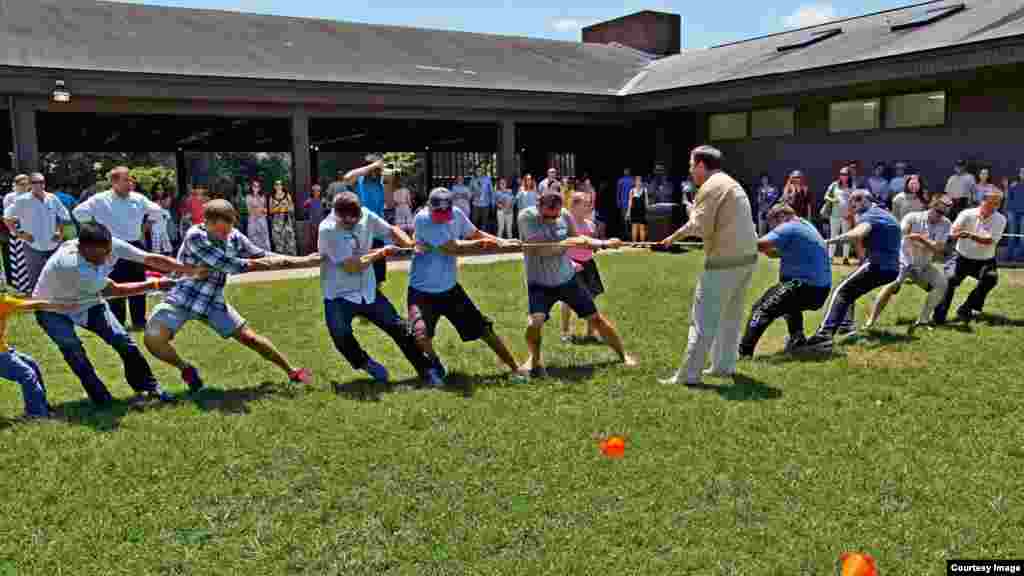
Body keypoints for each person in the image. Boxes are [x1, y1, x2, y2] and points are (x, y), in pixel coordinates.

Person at [144, 200, 316, 392]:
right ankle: (186, 369)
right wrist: (298, 262)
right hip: (182, 296)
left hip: (212, 300)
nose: (225, 236)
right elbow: (232, 265)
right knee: (153, 338)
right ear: (206, 222)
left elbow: (261, 255)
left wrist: (303, 260)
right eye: (220, 232)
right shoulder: (195, 237)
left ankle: (292, 371)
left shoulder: (234, 236)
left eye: (228, 231)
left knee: (249, 338)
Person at [34, 222, 202, 406]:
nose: (107, 259)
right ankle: (102, 399)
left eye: (108, 252)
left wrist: (190, 270)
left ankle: (148, 388)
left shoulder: (109, 244)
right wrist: (155, 284)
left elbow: (149, 259)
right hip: (52, 308)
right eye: (101, 255)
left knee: (123, 340)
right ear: (83, 248)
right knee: (75, 352)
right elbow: (116, 291)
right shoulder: (72, 265)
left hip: (88, 302)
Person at [316, 192, 441, 386]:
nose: (353, 225)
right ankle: (365, 363)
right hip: (338, 294)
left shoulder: (365, 215)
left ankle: (427, 370)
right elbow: (351, 266)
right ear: (337, 215)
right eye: (348, 223)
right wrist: (382, 253)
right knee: (340, 335)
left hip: (368, 289)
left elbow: (391, 231)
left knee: (400, 329)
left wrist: (410, 244)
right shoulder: (327, 229)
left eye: (356, 220)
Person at [658, 145, 758, 384]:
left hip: (724, 262)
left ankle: (688, 375)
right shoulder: (731, 183)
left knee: (703, 319)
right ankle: (723, 366)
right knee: (730, 317)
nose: (691, 171)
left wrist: (674, 236)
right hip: (747, 259)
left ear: (702, 165)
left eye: (692, 165)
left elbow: (700, 227)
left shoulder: (710, 187)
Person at [409, 188, 527, 383]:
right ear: (430, 208)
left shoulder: (456, 214)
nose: (442, 218)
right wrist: (488, 245)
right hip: (422, 291)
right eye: (438, 214)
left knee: (484, 330)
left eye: (445, 214)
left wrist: (502, 241)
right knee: (420, 334)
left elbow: (475, 233)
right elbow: (453, 248)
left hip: (449, 288)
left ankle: (515, 368)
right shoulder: (422, 220)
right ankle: (435, 364)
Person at [518, 189, 635, 377]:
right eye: (548, 216)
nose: (552, 220)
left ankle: (623, 355)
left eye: (555, 216)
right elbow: (542, 251)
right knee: (535, 323)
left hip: (567, 279)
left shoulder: (564, 215)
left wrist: (604, 243)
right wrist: (567, 242)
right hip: (539, 281)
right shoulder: (526, 217)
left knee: (595, 318)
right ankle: (534, 360)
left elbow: (579, 239)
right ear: (539, 206)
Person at [802, 191, 901, 351]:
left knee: (841, 292)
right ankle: (846, 326)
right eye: (850, 201)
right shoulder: (885, 214)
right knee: (850, 290)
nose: (852, 204)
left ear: (867, 200)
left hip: (879, 266)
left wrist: (828, 241)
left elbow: (857, 234)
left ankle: (824, 335)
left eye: (856, 200)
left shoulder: (871, 215)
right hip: (892, 268)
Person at [73, 166, 164, 330]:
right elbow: (79, 213)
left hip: (134, 244)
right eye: (126, 180)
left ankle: (139, 320)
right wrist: (97, 232)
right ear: (114, 182)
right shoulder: (99, 199)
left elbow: (157, 212)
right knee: (113, 284)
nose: (130, 183)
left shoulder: (138, 198)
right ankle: (117, 321)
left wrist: (145, 227)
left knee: (138, 282)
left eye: (130, 179)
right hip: (110, 247)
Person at [738, 203, 831, 356]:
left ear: (781, 216)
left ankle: (743, 352)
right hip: (818, 289)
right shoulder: (805, 225)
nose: (773, 229)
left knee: (761, 309)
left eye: (772, 225)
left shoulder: (789, 227)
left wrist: (742, 236)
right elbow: (774, 253)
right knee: (787, 302)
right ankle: (797, 339)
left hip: (804, 285)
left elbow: (759, 245)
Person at [865, 195, 952, 333]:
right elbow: (902, 233)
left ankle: (923, 321)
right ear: (931, 206)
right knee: (891, 286)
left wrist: (919, 238)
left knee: (942, 284)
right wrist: (921, 239)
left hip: (923, 265)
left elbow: (939, 248)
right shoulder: (913, 217)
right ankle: (871, 321)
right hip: (903, 262)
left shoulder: (946, 223)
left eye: (944, 213)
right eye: (938, 211)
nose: (940, 216)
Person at [933, 187, 1006, 324]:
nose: (995, 206)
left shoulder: (1000, 219)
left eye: (998, 203)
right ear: (983, 201)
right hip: (961, 257)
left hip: (985, 261)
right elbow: (953, 232)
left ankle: (967, 307)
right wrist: (955, 234)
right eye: (992, 202)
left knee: (991, 278)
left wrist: (970, 235)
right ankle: (938, 318)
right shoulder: (967, 214)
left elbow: (990, 240)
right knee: (948, 280)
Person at [3, 172, 70, 292]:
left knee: (57, 275)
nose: (39, 185)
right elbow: (7, 218)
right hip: (33, 246)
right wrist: (19, 234)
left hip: (53, 245)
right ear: (30, 185)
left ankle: (57, 302)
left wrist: (59, 232)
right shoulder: (22, 200)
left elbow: (64, 216)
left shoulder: (52, 198)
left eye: (42, 182)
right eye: (35, 182)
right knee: (36, 279)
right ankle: (39, 305)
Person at [561, 192, 606, 343]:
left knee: (591, 298)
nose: (589, 206)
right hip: (571, 264)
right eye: (585, 204)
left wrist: (596, 246)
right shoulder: (565, 225)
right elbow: (561, 248)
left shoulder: (591, 225)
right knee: (567, 300)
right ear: (573, 205)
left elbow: (594, 246)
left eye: (589, 203)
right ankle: (565, 332)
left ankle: (590, 332)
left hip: (588, 265)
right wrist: (571, 263)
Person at [345, 158, 390, 285]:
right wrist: (372, 166)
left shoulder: (381, 183)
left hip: (377, 230)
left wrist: (389, 180)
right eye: (373, 169)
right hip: (360, 229)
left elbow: (390, 203)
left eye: (377, 169)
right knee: (362, 264)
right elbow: (347, 177)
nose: (376, 172)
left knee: (378, 273)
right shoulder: (358, 181)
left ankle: (377, 290)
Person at [821, 166, 853, 264]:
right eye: (841, 174)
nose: (843, 176)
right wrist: (833, 200)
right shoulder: (834, 185)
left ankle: (846, 258)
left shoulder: (852, 186)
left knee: (846, 237)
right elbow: (825, 196)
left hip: (846, 216)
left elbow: (854, 201)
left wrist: (851, 213)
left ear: (849, 176)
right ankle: (830, 257)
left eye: (845, 174)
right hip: (834, 215)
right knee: (833, 236)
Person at [3, 175, 29, 292]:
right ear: (16, 185)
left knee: (28, 256)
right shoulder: (10, 197)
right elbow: (7, 216)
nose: (25, 186)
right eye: (22, 184)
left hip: (29, 229)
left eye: (27, 184)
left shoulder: (31, 196)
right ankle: (16, 285)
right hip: (15, 230)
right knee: (16, 258)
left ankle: (28, 284)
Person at [268, 180, 297, 255]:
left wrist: (286, 207)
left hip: (287, 218)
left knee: (289, 238)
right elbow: (270, 210)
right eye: (277, 184)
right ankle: (280, 257)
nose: (278, 186)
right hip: (277, 219)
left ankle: (292, 257)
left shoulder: (287, 195)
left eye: (280, 184)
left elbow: (292, 207)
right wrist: (279, 207)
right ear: (274, 187)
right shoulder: (272, 197)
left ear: (282, 186)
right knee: (278, 239)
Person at [245, 179, 271, 251]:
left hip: (262, 219)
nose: (256, 188)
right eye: (254, 186)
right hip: (253, 219)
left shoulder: (263, 196)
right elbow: (249, 210)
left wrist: (260, 209)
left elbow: (265, 209)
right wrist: (259, 209)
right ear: (251, 187)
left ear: (260, 188)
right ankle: (254, 253)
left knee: (264, 237)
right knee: (253, 236)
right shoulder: (248, 197)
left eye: (258, 186)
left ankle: (266, 253)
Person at [1006, 168, 1024, 260]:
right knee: (1011, 234)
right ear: (1019, 175)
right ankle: (1009, 255)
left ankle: (1020, 256)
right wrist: (1008, 212)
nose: (1023, 174)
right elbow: (1008, 199)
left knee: (1022, 236)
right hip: (1013, 213)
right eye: (1022, 172)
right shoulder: (1013, 185)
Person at [627, 175, 649, 243]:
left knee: (642, 227)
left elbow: (646, 201)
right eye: (637, 181)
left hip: (642, 211)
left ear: (641, 182)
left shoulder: (644, 190)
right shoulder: (631, 191)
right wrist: (628, 212)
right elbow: (630, 202)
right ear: (635, 182)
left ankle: (642, 242)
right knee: (634, 227)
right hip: (634, 210)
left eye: (640, 181)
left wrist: (647, 210)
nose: (639, 182)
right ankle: (634, 242)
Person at [303, 183, 324, 253]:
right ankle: (312, 253)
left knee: (321, 238)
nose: (317, 192)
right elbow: (304, 210)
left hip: (321, 222)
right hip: (313, 223)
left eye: (318, 191)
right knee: (312, 239)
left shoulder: (322, 201)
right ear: (312, 192)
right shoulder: (309, 201)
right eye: (315, 191)